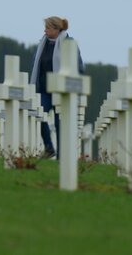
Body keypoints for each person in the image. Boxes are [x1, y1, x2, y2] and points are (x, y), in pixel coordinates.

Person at [29, 16, 84, 158]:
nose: (45, 30)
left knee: (61, 124)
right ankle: (49, 147)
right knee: (37, 114)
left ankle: (62, 156)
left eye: (47, 27)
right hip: (44, 90)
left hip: (61, 91)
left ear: (56, 29)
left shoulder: (68, 43)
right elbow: (37, 64)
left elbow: (78, 65)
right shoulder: (43, 44)